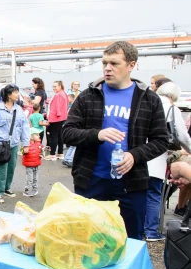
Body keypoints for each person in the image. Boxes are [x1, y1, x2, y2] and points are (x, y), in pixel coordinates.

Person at [62, 41, 169, 240]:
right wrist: (97, 134)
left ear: (131, 65)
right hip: (92, 180)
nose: (107, 68)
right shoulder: (88, 96)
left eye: (114, 63)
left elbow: (161, 140)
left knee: (130, 239)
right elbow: (67, 133)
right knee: (87, 238)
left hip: (131, 183)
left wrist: (134, 155)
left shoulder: (148, 100)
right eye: (104, 63)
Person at [144, 80, 191, 241]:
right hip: (156, 157)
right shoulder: (171, 108)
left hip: (136, 155)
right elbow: (183, 136)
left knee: (137, 193)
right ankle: (151, 231)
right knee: (154, 194)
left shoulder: (146, 103)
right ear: (173, 96)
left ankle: (137, 228)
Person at [0, 84, 30, 203]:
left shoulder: (18, 109)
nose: (18, 95)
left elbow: (24, 127)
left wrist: (25, 144)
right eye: (16, 92)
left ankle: (7, 188)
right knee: (2, 168)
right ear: (9, 95)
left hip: (13, 144)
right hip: (0, 144)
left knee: (11, 168)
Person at [45, 80, 68, 160]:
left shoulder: (58, 95)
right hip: (62, 117)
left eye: (55, 86)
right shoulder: (64, 93)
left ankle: (52, 154)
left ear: (60, 86)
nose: (54, 88)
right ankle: (60, 153)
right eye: (53, 86)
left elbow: (57, 107)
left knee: (53, 135)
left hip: (56, 118)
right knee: (59, 135)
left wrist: (57, 114)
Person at [22, 128, 43, 197]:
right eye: (37, 135)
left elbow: (42, 151)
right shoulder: (26, 144)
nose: (39, 136)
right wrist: (24, 151)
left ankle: (34, 189)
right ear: (31, 136)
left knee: (35, 178)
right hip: (29, 165)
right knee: (29, 178)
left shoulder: (39, 143)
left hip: (37, 164)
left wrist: (42, 154)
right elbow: (23, 152)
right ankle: (27, 190)